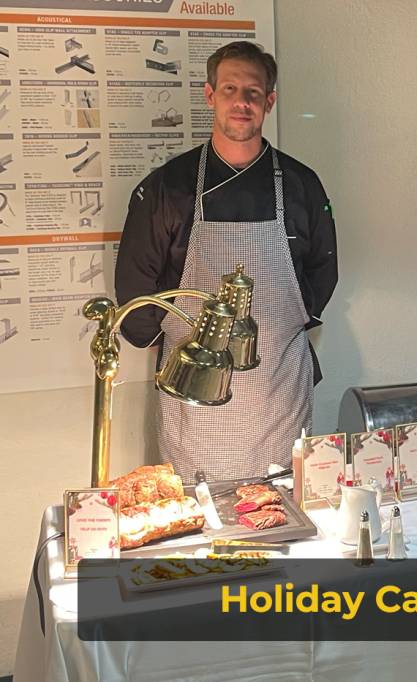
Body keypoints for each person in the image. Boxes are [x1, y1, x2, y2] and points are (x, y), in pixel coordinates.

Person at [115, 41, 338, 483]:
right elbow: (136, 287)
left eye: (253, 92)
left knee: (279, 503)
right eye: (230, 89)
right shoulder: (168, 187)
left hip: (277, 388)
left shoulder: (302, 185)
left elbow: (323, 271)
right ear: (210, 95)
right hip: (192, 390)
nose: (241, 102)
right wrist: (173, 340)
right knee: (199, 509)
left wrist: (279, 331)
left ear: (269, 101)